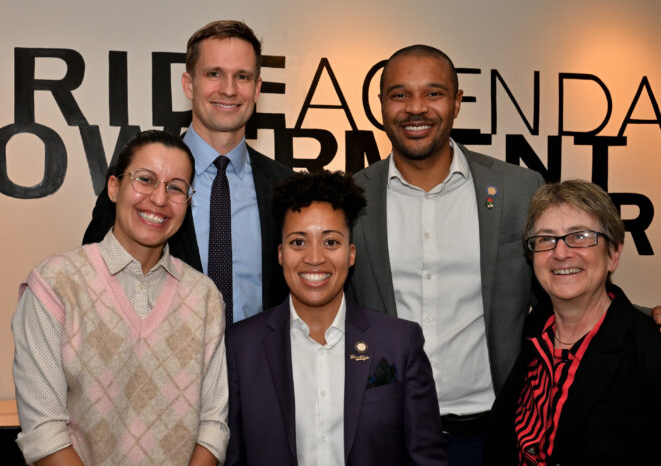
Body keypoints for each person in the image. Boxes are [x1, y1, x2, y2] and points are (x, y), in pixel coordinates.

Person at [346, 45, 544, 465]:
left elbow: (562, 288)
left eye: (433, 94)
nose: (415, 108)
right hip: (386, 434)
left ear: (457, 103)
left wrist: (638, 317)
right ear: (381, 106)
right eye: (399, 95)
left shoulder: (517, 190)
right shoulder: (351, 198)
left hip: (492, 435)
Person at [12, 130, 228, 465]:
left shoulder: (205, 298)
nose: (159, 199)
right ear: (114, 187)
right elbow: (44, 431)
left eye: (175, 188)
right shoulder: (55, 285)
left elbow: (213, 425)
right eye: (145, 179)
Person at [225, 171, 447, 465]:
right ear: (280, 254)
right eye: (298, 242)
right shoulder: (241, 346)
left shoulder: (399, 342)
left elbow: (427, 459)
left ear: (351, 253)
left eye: (330, 242)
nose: (314, 257)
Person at [83, 20, 292, 324]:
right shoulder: (137, 181)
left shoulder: (287, 187)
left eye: (242, 76)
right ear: (188, 85)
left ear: (257, 89)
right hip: (159, 368)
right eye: (214, 74)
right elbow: (92, 281)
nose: (229, 89)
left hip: (258, 370)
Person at [484, 180, 661, 465]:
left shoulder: (649, 351)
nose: (561, 253)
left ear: (613, 253)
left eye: (580, 236)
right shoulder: (532, 330)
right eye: (545, 239)